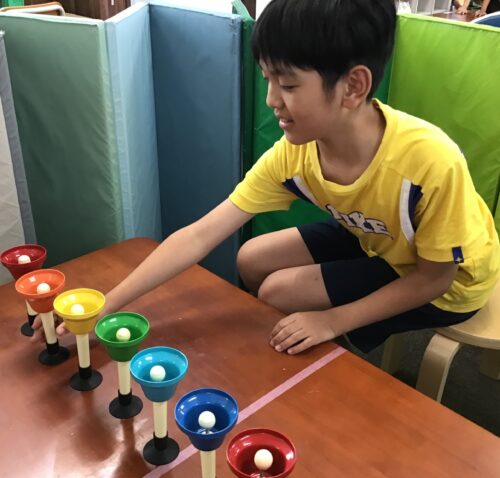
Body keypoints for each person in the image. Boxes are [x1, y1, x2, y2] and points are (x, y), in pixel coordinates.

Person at [32, 0, 499, 355]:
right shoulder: (294, 155)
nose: (272, 99)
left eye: (288, 84)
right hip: (377, 238)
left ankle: (335, 364)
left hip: (449, 281)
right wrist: (107, 303)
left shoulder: (428, 162)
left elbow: (435, 279)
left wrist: (333, 320)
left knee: (280, 291)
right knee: (251, 257)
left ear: (353, 86)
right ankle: (294, 342)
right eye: (268, 80)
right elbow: (199, 235)